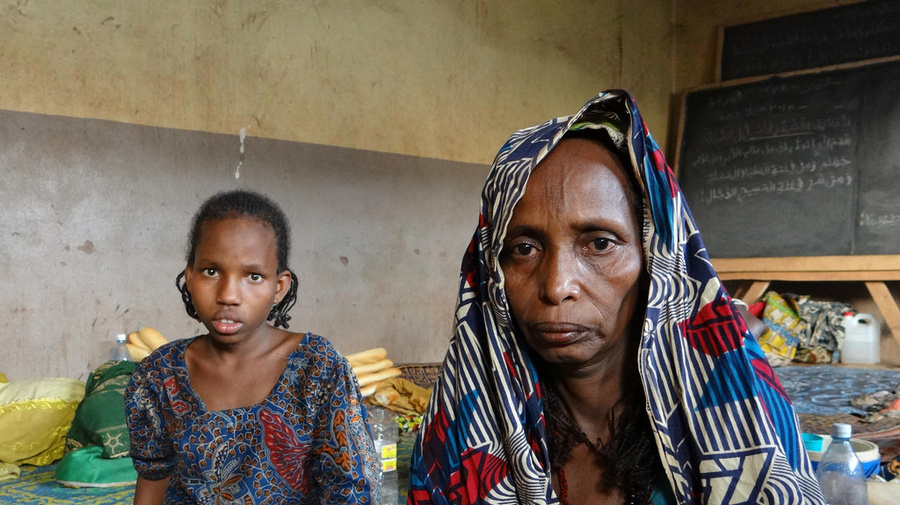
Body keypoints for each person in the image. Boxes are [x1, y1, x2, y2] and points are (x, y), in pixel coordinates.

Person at [408, 90, 825, 504]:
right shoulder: (463, 421)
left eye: (600, 244)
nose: (557, 286)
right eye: (524, 248)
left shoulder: (744, 409)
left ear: (655, 258)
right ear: (491, 269)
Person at [124, 190, 379, 504]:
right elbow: (153, 478)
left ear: (279, 287)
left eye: (253, 276)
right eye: (211, 271)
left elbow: (351, 488)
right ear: (189, 277)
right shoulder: (160, 375)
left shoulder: (317, 368)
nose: (228, 295)